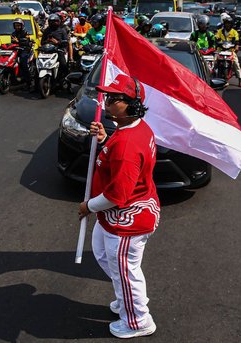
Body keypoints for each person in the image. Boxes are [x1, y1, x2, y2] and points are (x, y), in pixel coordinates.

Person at [78, 74, 159, 339]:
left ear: (132, 105)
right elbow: (116, 159)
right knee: (104, 256)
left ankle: (137, 320)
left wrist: (88, 206)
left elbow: (118, 194)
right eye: (108, 96)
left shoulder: (127, 143)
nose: (107, 102)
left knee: (126, 271)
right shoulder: (133, 128)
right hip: (116, 216)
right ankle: (126, 300)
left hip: (127, 219)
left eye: (114, 99)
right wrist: (103, 140)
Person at [215, 13, 241, 87]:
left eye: (229, 24)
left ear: (231, 24)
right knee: (213, 62)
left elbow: (237, 41)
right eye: (226, 23)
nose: (228, 25)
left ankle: (240, 80)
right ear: (224, 24)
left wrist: (236, 46)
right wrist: (218, 43)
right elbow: (216, 39)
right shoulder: (220, 31)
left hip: (230, 51)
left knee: (236, 64)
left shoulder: (234, 32)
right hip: (220, 50)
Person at [41, 13, 69, 81]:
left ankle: (65, 80)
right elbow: (42, 42)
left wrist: (57, 42)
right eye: (51, 21)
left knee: (64, 65)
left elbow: (66, 42)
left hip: (59, 50)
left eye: (55, 21)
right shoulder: (47, 30)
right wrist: (47, 41)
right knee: (38, 65)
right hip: (47, 51)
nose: (53, 23)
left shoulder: (62, 30)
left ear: (59, 21)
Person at [10, 18, 33, 89]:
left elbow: (26, 42)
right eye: (16, 25)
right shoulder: (13, 33)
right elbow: (12, 42)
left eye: (19, 25)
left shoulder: (25, 33)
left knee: (23, 63)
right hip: (16, 50)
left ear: (22, 26)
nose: (17, 27)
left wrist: (18, 41)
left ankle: (29, 82)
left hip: (24, 50)